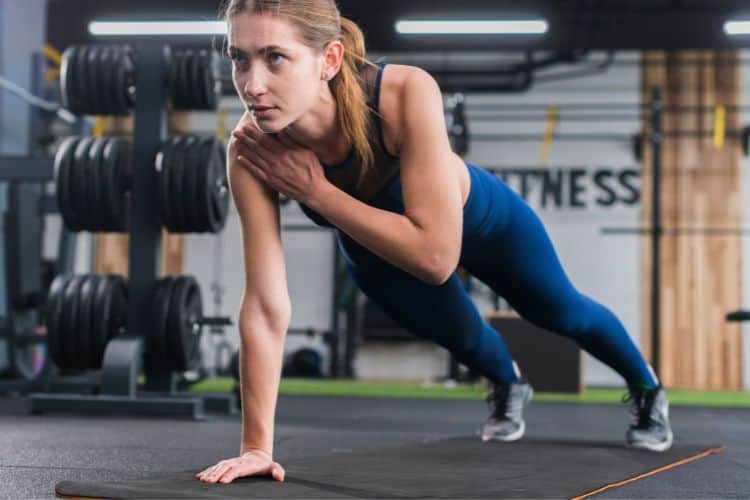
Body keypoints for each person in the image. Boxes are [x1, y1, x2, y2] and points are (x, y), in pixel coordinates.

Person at [196, 0, 673, 486]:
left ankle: (646, 388)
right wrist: (257, 448)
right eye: (239, 58)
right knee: (460, 334)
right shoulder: (252, 149)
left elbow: (435, 257)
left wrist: (316, 191)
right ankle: (509, 383)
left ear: (330, 60)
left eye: (275, 57)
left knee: (559, 310)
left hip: (485, 221)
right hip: (373, 251)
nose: (252, 85)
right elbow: (263, 303)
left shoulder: (402, 91)